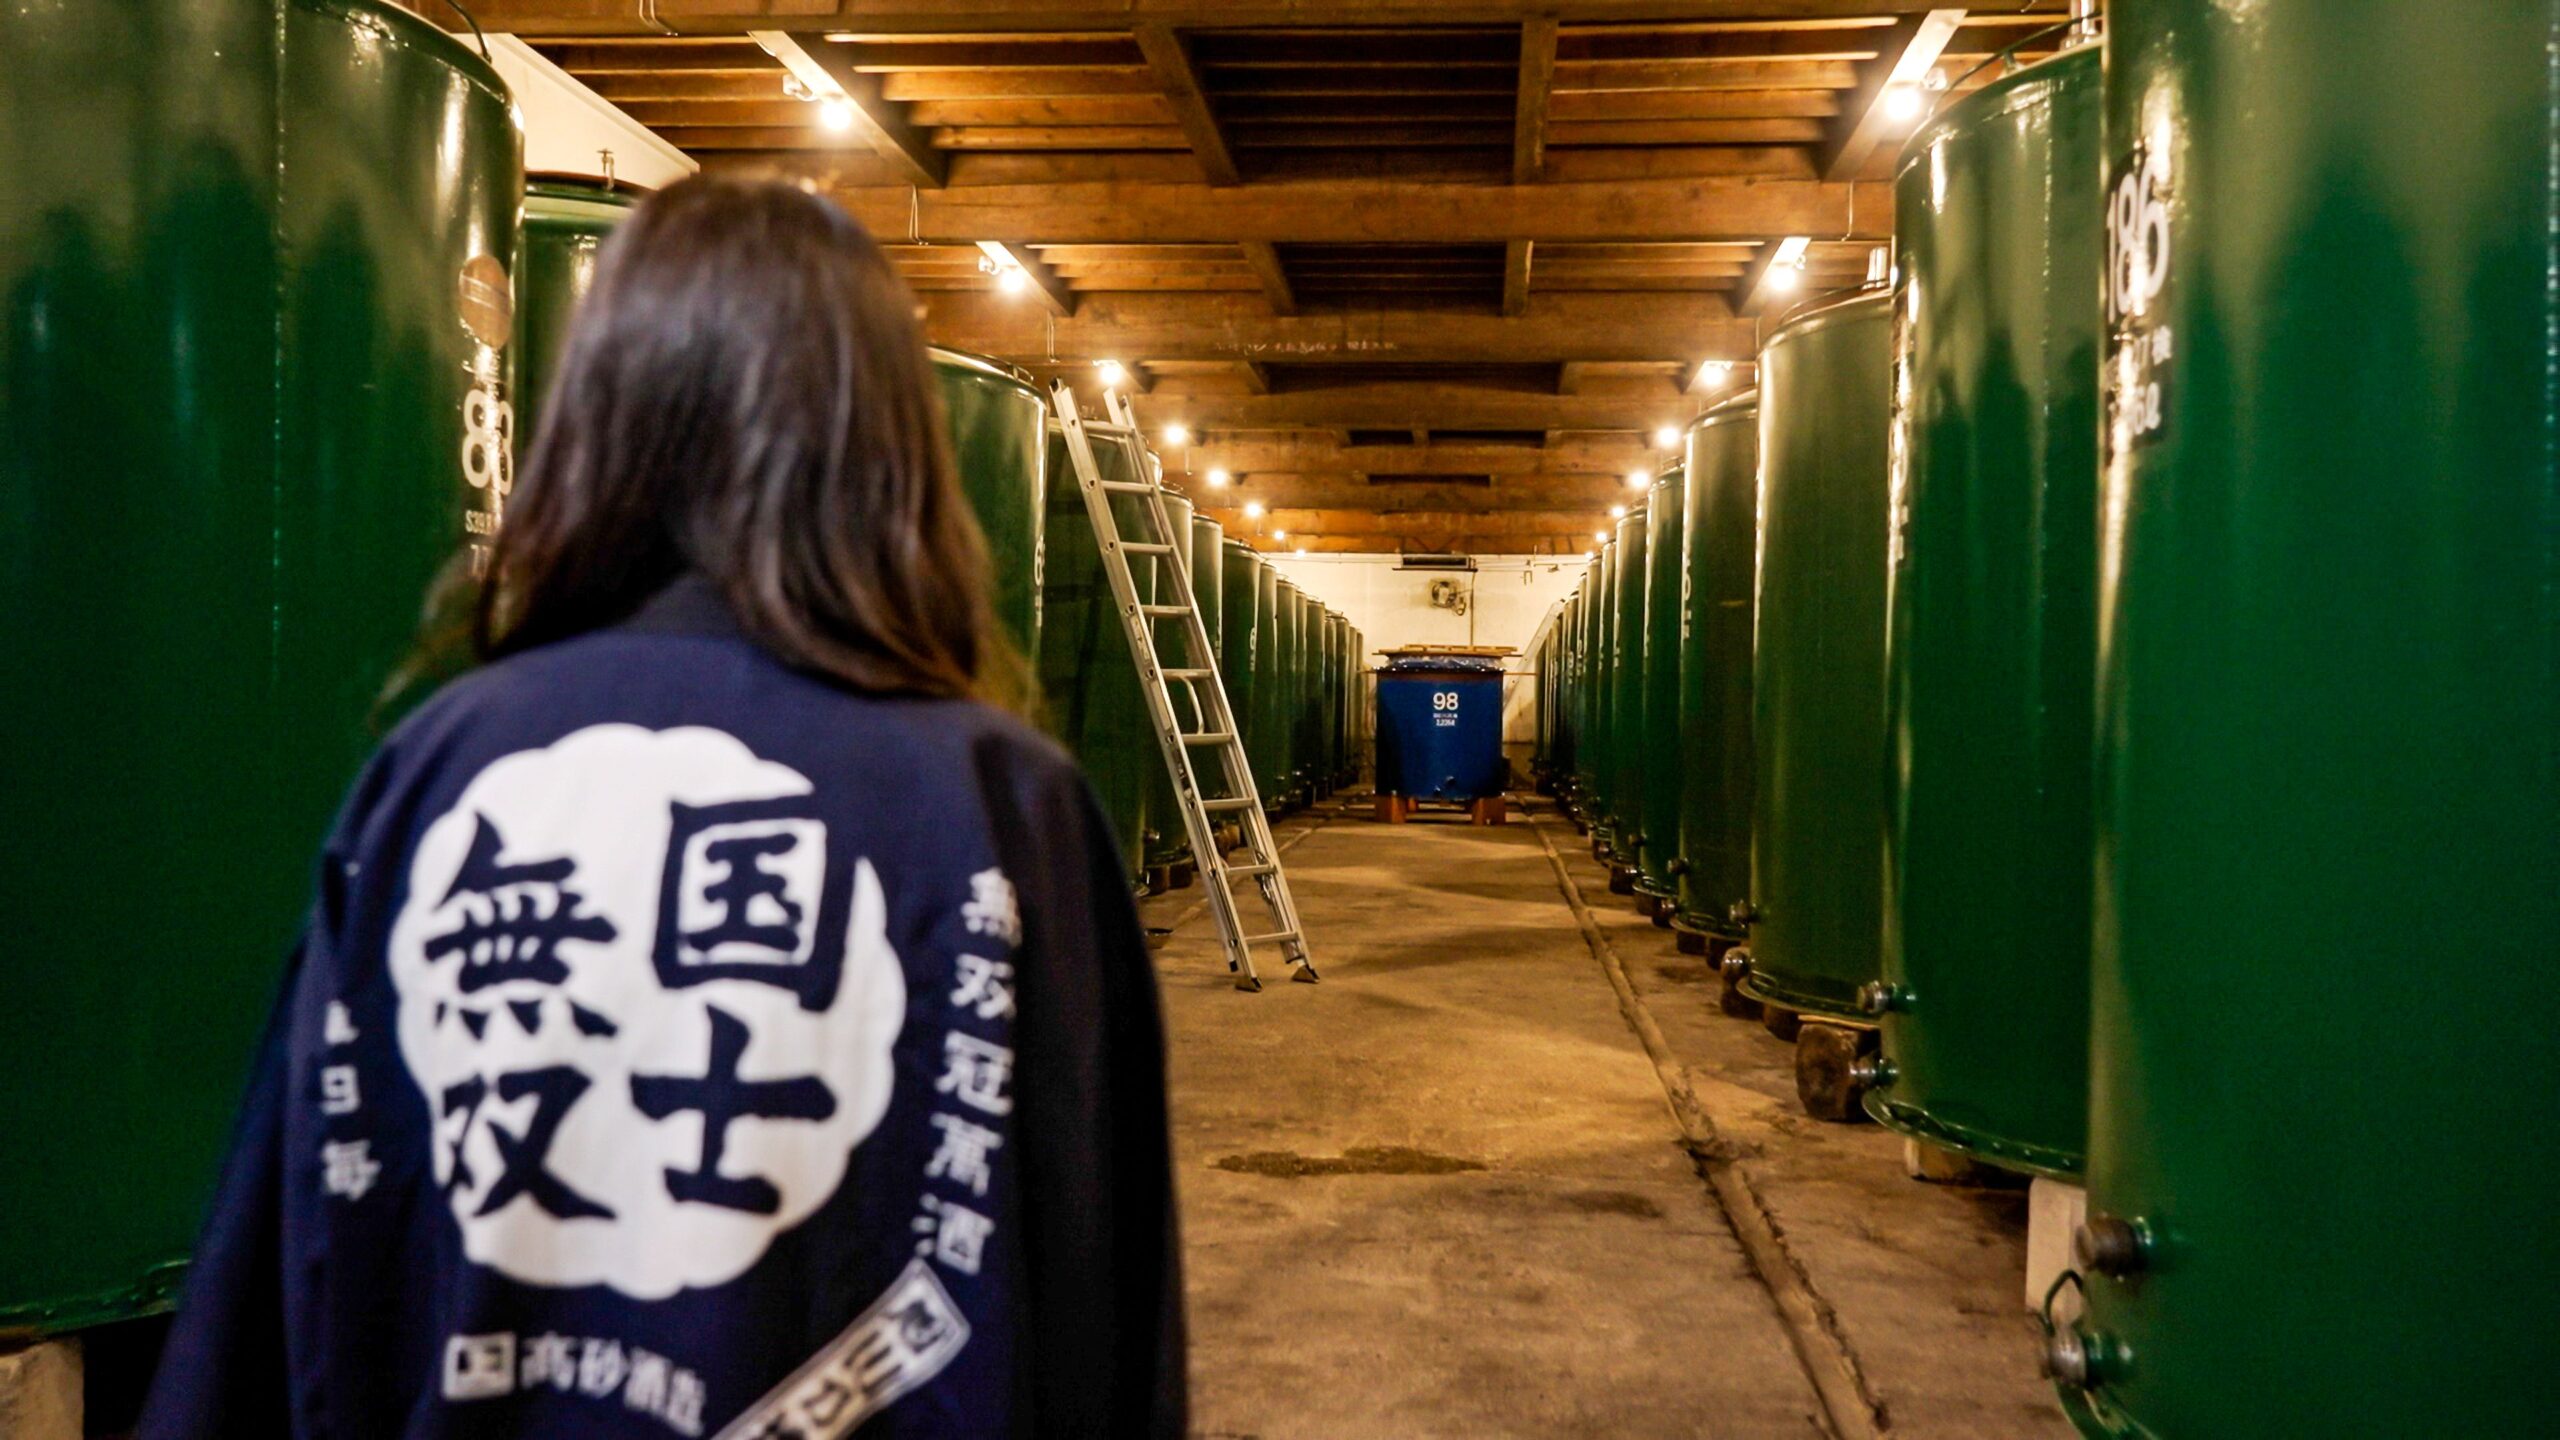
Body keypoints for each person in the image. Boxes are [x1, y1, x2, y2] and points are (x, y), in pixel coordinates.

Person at [139, 176, 1186, 1438]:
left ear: (595, 420)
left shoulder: (436, 769)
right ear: (892, 449)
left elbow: (282, 1277)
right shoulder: (1002, 801)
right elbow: (1097, 1298)